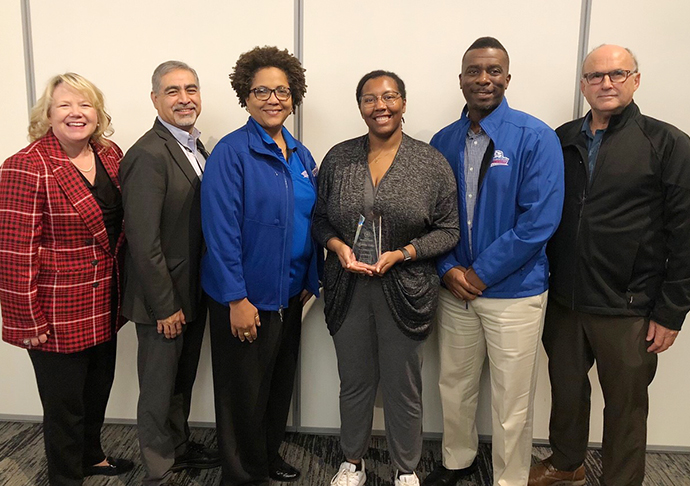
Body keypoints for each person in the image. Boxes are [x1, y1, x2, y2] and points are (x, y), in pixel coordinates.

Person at [529, 44, 690, 486]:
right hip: (566, 297)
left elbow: (686, 235)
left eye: (617, 74)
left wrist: (671, 311)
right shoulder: (560, 139)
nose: (606, 83)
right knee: (566, 390)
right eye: (596, 76)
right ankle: (566, 464)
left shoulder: (668, 144)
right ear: (583, 85)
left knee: (625, 404)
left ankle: (621, 479)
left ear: (635, 80)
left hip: (630, 305)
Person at [424, 37, 564, 486]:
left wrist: (480, 272)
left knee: (512, 400)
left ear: (507, 76)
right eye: (474, 71)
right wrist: (448, 269)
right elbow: (429, 217)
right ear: (461, 79)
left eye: (493, 71)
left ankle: (509, 479)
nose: (484, 79)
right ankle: (457, 461)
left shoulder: (535, 136)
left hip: (515, 293)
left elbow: (539, 222)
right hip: (455, 290)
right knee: (454, 387)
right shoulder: (443, 140)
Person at [312, 70, 459, 486]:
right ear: (360, 106)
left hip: (407, 290)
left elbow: (449, 231)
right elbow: (320, 220)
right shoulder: (339, 158)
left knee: (403, 386)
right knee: (355, 382)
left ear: (404, 103)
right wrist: (338, 248)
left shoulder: (430, 163)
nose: (381, 106)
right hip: (348, 287)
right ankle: (352, 463)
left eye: (390, 97)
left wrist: (404, 253)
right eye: (370, 99)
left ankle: (406, 468)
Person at [0, 73, 133, 485]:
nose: (77, 113)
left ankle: (91, 457)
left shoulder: (110, 155)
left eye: (85, 105)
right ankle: (64, 478)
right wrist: (28, 321)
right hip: (56, 313)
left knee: (96, 392)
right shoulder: (26, 166)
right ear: (48, 114)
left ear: (98, 113)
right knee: (64, 407)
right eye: (65, 105)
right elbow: (12, 253)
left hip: (105, 304)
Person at [201, 46, 321, 486]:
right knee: (242, 396)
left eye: (282, 91)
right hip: (245, 297)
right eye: (262, 91)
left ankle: (267, 457)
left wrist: (310, 280)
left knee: (275, 386)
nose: (273, 99)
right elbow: (220, 232)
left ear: (294, 96)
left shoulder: (300, 154)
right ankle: (241, 474)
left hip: (289, 294)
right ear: (245, 96)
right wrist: (236, 298)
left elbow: (311, 221)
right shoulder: (231, 153)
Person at [120, 60, 219, 486]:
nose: (184, 98)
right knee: (159, 390)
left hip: (192, 290)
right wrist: (165, 305)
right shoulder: (147, 153)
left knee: (180, 382)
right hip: (163, 298)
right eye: (173, 90)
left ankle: (178, 447)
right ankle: (158, 469)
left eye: (191, 89)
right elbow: (143, 241)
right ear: (156, 99)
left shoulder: (195, 146)